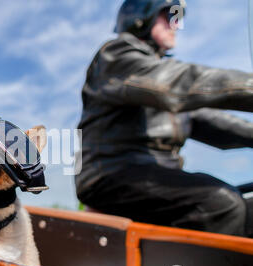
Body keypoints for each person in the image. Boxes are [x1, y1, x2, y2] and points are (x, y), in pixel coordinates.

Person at [75, 0, 253, 237]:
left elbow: (217, 123)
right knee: (220, 202)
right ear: (140, 16)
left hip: (156, 176)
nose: (177, 25)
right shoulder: (116, 57)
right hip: (112, 174)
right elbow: (176, 85)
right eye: (170, 15)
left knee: (248, 206)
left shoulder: (160, 76)